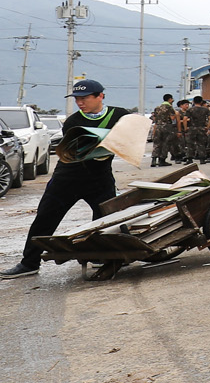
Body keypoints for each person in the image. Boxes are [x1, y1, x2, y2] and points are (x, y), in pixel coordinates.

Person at [2, 81, 132, 279]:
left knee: (107, 219)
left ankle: (101, 255)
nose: (80, 103)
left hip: (100, 178)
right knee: (45, 219)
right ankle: (29, 263)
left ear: (100, 96)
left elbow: (132, 135)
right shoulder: (73, 121)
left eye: (85, 98)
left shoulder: (119, 115)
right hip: (68, 178)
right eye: (77, 99)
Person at [149, 93, 177, 167]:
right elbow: (173, 118)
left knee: (157, 143)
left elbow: (154, 118)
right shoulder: (169, 107)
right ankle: (162, 160)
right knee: (165, 143)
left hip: (158, 126)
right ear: (170, 99)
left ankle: (154, 160)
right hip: (167, 127)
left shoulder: (157, 107)